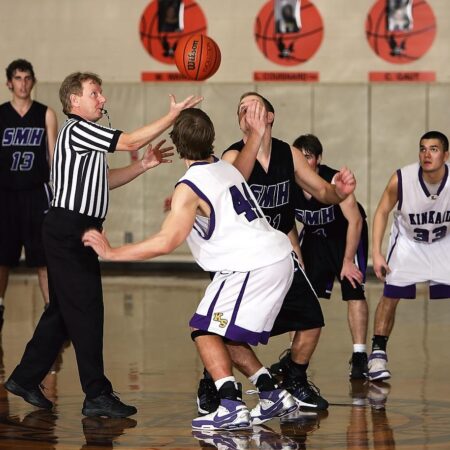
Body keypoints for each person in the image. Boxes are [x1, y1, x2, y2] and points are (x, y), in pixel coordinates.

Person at [83, 104, 305, 430]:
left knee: (204, 330)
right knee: (224, 332)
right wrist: (255, 136)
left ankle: (230, 404)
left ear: (176, 142)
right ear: (212, 140)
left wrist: (113, 252)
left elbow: (166, 241)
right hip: (277, 257)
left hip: (252, 264)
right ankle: (271, 394)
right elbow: (240, 172)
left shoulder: (188, 186)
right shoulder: (224, 167)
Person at [4, 71, 201, 418]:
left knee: (64, 311)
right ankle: (96, 393)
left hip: (75, 229)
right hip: (68, 229)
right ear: (74, 101)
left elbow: (104, 180)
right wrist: (171, 116)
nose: (102, 99)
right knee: (87, 310)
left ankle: (24, 377)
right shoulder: (77, 128)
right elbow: (128, 140)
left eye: (101, 93)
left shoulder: (86, 138)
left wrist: (143, 166)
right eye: (95, 93)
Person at [196, 92, 357, 415]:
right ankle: (213, 381)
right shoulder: (232, 156)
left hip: (278, 256)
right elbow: (234, 181)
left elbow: (321, 191)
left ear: (269, 116)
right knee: (224, 329)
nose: (247, 112)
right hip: (241, 260)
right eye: (241, 109)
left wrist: (339, 191)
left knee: (312, 319)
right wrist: (253, 139)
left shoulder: (289, 153)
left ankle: (294, 378)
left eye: (253, 107)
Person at [368, 131, 450, 382]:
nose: (427, 154)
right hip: (409, 243)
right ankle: (378, 354)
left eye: (434, 149)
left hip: (443, 242)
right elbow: (382, 211)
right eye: (423, 148)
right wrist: (377, 252)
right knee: (391, 295)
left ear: (446, 155)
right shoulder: (401, 178)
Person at [290, 134, 369, 379]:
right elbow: (286, 222)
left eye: (308, 157)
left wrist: (347, 261)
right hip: (314, 237)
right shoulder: (289, 182)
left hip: (345, 234)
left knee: (353, 286)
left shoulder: (334, 180)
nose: (303, 163)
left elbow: (355, 221)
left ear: (319, 160)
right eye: (299, 157)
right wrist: (297, 254)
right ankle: (293, 358)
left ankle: (359, 355)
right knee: (300, 293)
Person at [0, 59, 58, 331]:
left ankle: (51, 309)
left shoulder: (45, 114)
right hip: (6, 194)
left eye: (27, 78)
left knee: (43, 259)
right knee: (2, 258)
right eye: (17, 78)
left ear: (33, 81)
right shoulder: (0, 115)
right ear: (9, 83)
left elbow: (54, 158)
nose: (22, 83)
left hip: (37, 194)